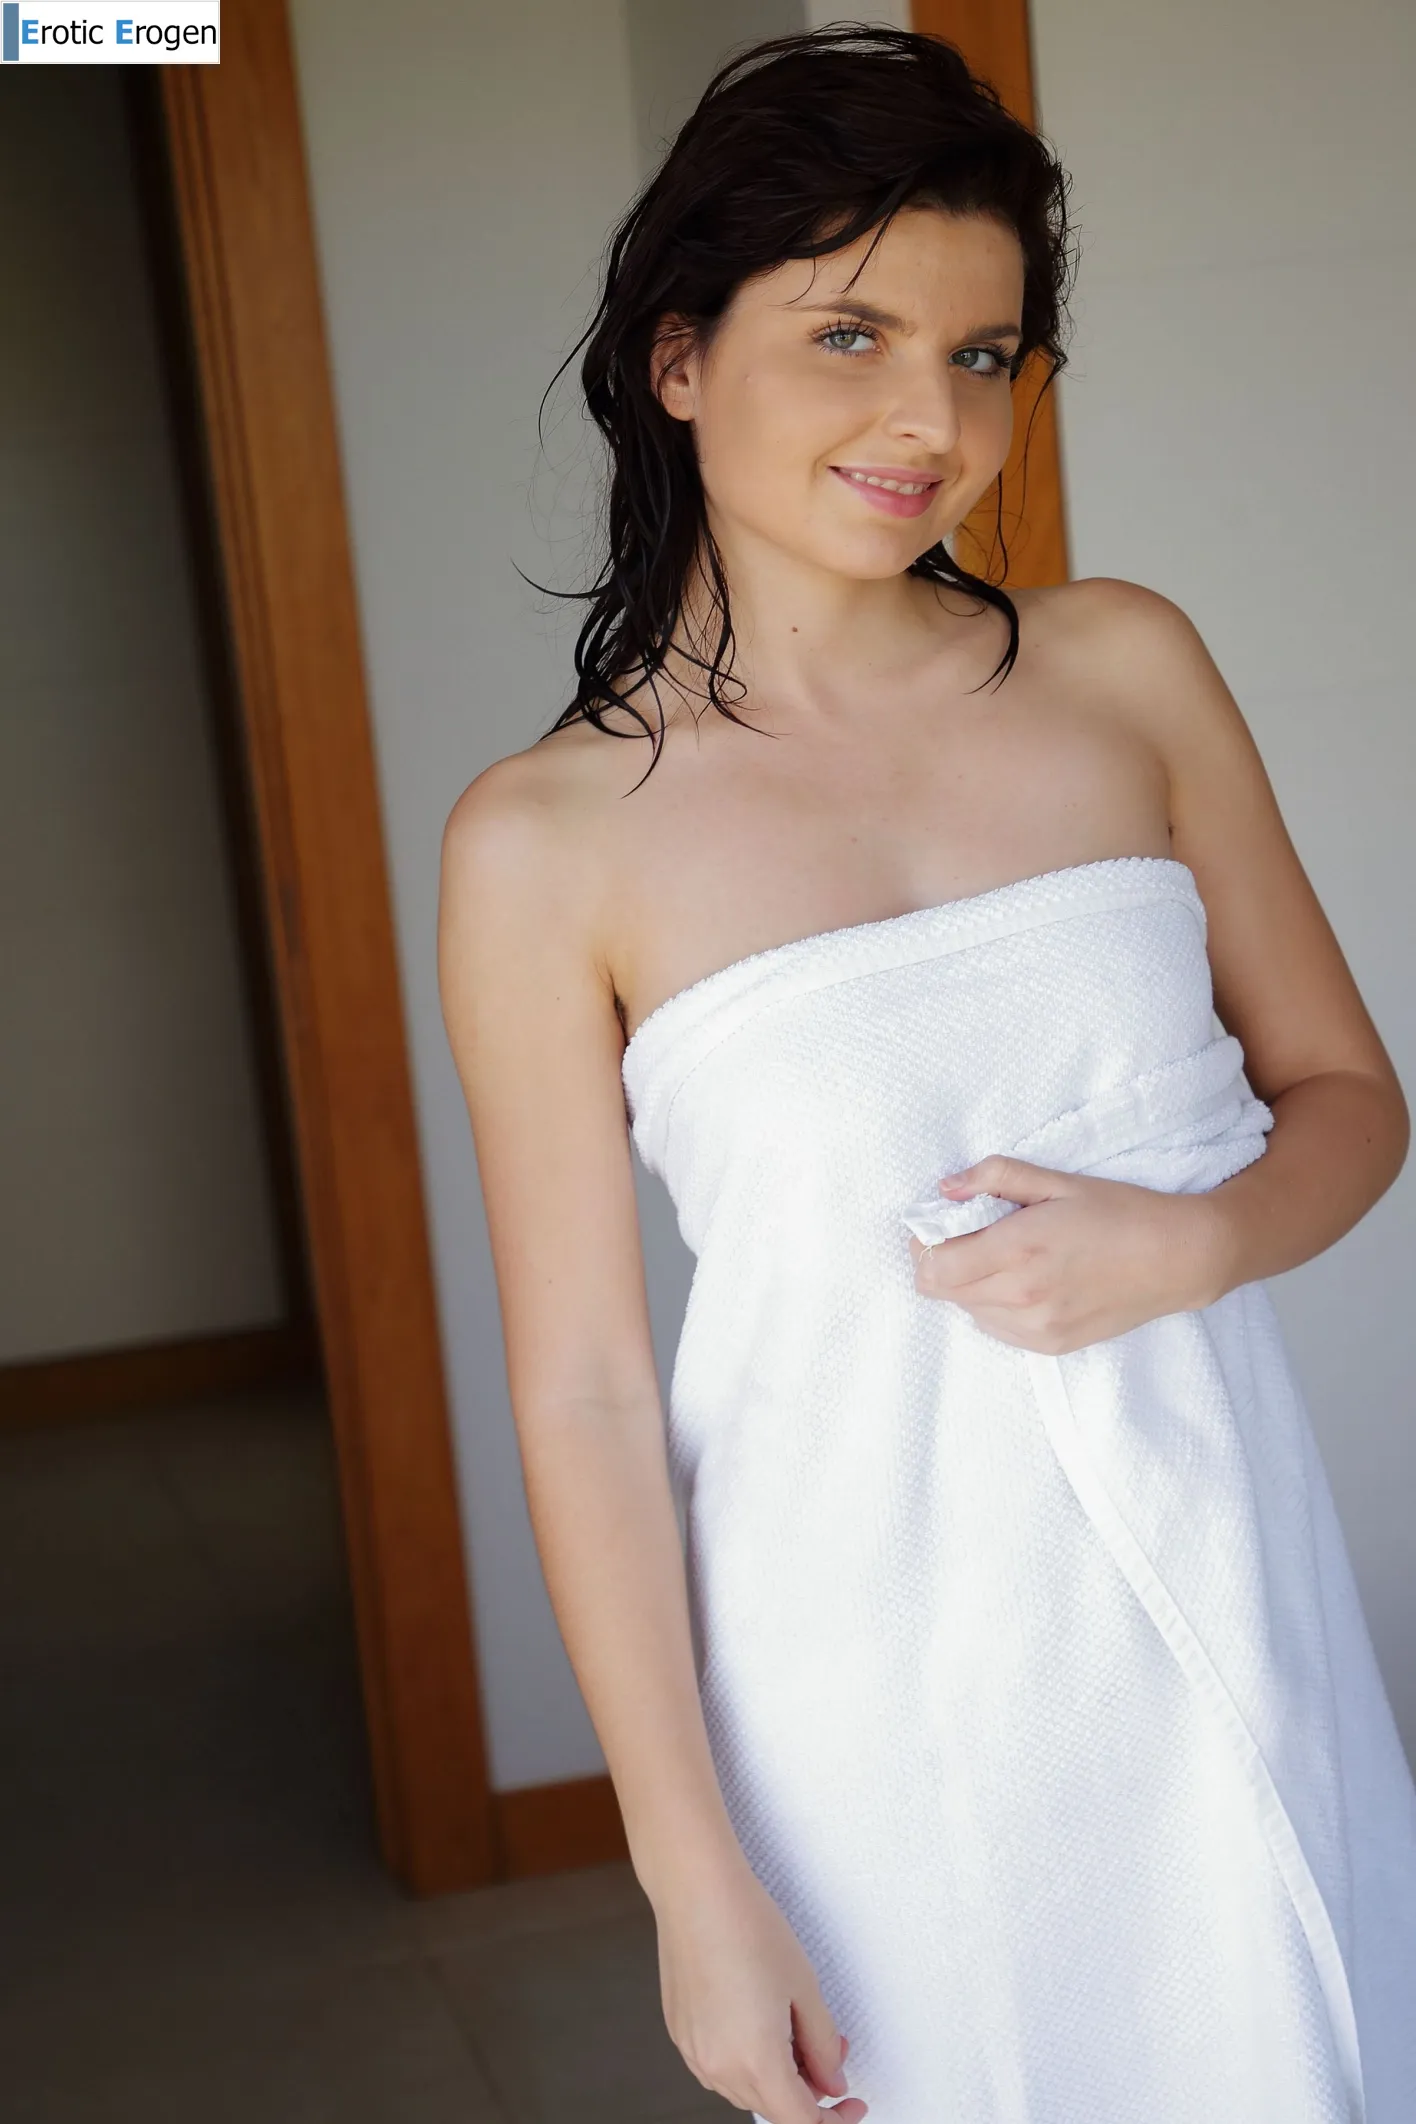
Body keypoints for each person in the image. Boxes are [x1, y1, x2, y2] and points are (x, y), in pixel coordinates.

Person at [438, 26, 1416, 2123]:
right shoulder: (544, 841)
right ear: (678, 358)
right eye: (852, 336)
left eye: (984, 357)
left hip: (1221, 1598)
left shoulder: (1122, 665)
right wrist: (690, 1877)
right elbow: (585, 1392)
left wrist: (1196, 1243)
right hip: (861, 1687)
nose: (932, 422)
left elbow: (1351, 1098)